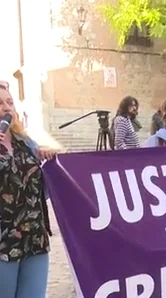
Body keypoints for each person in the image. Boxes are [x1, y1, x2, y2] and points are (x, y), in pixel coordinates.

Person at [0, 84, 57, 298]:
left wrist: (48, 159)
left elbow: (41, 188)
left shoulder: (25, 142)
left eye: (10, 102)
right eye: (0, 103)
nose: (7, 108)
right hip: (3, 242)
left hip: (34, 238)